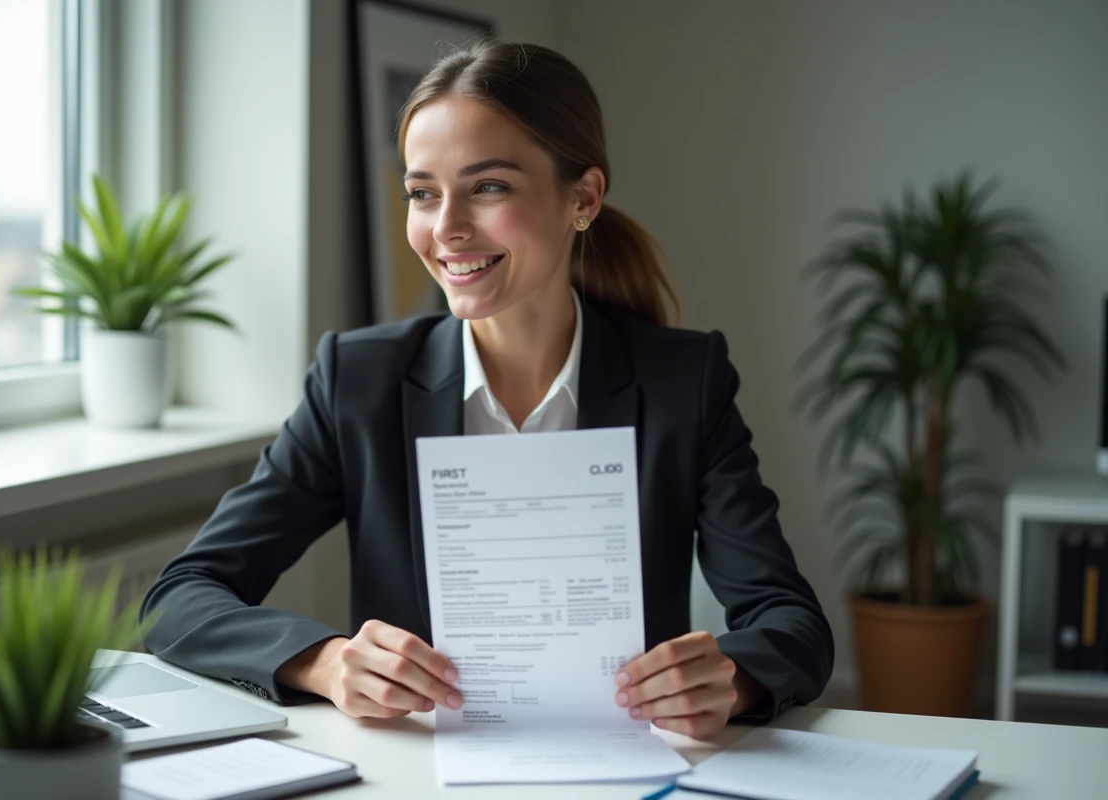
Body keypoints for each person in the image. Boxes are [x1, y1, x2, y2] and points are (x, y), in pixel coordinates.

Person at [140, 39, 832, 743]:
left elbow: (792, 623)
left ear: (583, 199)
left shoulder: (683, 383)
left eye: (489, 187)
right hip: (417, 772)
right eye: (421, 193)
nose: (446, 229)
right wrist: (325, 662)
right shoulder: (358, 381)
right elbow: (179, 599)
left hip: (623, 769)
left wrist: (731, 679)